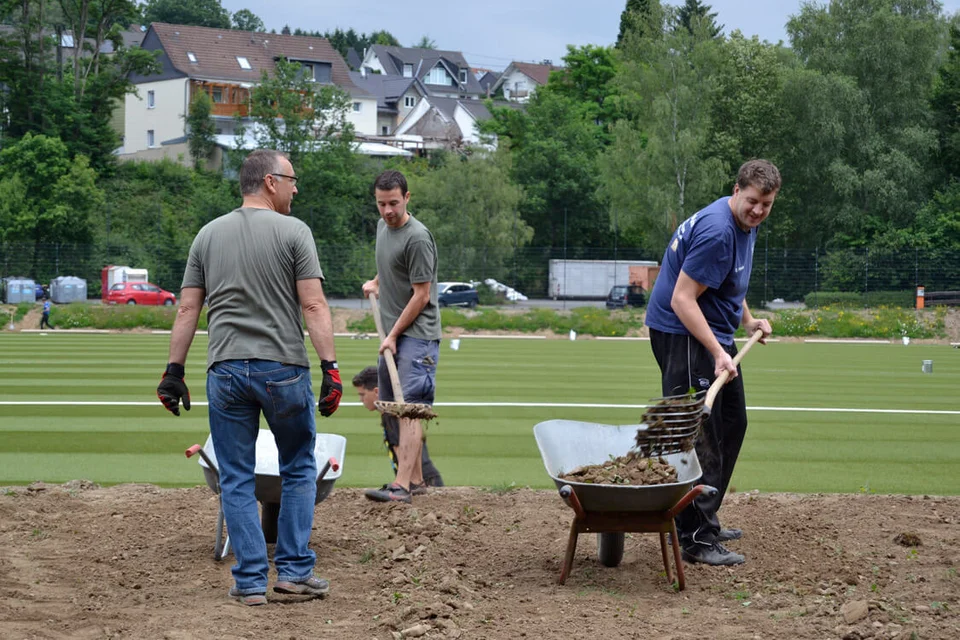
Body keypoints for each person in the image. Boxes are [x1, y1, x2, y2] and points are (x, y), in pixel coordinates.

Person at [156, 149, 343, 606]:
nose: (297, 188)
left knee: (235, 477)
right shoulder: (295, 232)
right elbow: (314, 306)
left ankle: (250, 582)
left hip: (224, 371)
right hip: (283, 368)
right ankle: (295, 573)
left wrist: (173, 372)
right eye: (293, 180)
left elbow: (187, 308)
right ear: (270, 182)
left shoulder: (206, 235)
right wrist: (330, 368)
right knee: (299, 467)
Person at [644, 159, 779, 566]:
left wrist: (748, 319)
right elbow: (682, 299)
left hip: (711, 333)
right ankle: (696, 536)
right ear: (736, 191)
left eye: (766, 204)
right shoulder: (719, 232)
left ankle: (707, 517)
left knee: (733, 422)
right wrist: (719, 353)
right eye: (752, 201)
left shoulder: (743, 225)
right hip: (683, 334)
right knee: (699, 433)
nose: (758, 210)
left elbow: (726, 285)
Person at [361, 169, 441, 504]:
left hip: (416, 336)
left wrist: (393, 335)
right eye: (381, 204)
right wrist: (377, 282)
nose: (388, 210)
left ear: (407, 198)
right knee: (396, 407)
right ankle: (418, 480)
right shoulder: (383, 227)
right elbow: (394, 265)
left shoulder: (418, 237)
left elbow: (421, 295)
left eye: (394, 203)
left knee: (411, 409)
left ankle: (402, 486)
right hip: (394, 335)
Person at [352, 366, 444, 492]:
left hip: (422, 483)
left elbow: (401, 450)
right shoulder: (395, 412)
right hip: (427, 479)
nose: (361, 399)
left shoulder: (391, 415)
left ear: (377, 391)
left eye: (363, 394)